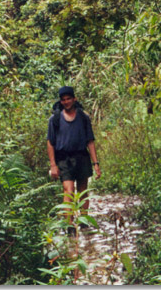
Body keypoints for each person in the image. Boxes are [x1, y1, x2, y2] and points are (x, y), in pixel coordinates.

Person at [47, 86, 100, 235]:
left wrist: (96, 164)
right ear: (60, 101)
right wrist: (53, 165)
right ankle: (69, 225)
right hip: (64, 159)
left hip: (82, 156)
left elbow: (90, 141)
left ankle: (84, 222)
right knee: (68, 190)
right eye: (63, 100)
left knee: (83, 191)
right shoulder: (55, 119)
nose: (66, 102)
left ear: (74, 99)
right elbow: (50, 142)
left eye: (68, 99)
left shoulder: (83, 117)